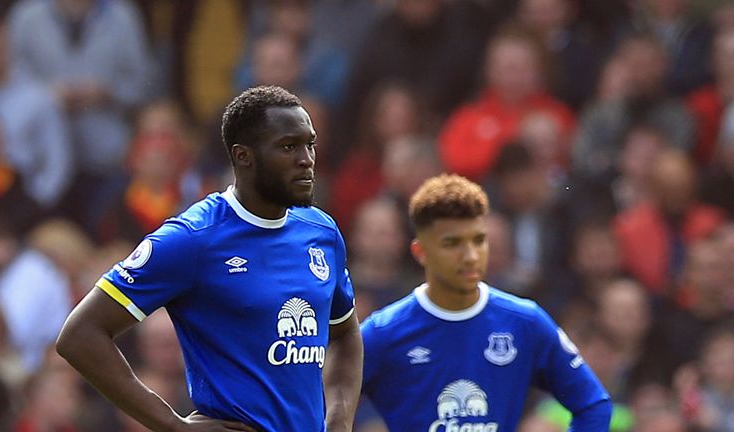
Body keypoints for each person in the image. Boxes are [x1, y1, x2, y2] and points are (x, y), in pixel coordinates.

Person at [55, 85, 363, 432]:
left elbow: (346, 335)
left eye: (310, 144)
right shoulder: (193, 238)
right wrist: (174, 426)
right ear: (243, 156)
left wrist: (339, 421)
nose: (306, 158)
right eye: (288, 146)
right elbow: (79, 335)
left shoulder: (321, 231)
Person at [360, 174, 612, 431]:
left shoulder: (525, 322)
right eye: (452, 243)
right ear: (420, 252)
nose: (470, 256)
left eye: (479, 240)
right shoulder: (384, 332)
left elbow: (593, 404)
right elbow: (326, 400)